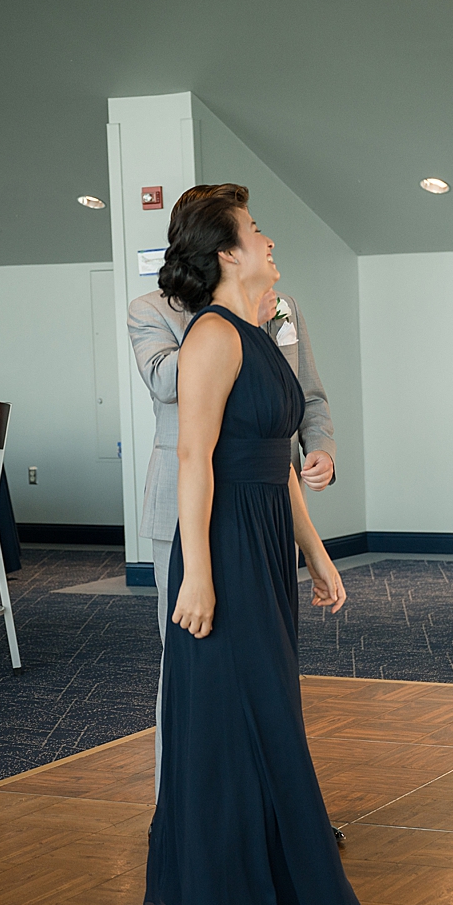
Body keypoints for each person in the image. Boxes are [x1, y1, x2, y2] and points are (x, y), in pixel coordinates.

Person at [143, 183, 363, 905]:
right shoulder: (211, 337)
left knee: (266, 713)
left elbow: (279, 465)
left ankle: (234, 882)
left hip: (266, 535)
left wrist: (316, 552)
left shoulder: (261, 333)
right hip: (224, 543)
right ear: (228, 251)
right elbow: (195, 459)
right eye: (256, 230)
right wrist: (196, 575)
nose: (269, 240)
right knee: (243, 721)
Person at [128, 194, 338, 797]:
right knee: (195, 675)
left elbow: (307, 396)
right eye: (253, 228)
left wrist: (318, 446)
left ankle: (270, 811)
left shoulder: (281, 307)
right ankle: (185, 808)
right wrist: (233, 316)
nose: (268, 240)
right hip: (188, 512)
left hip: (265, 506)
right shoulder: (156, 311)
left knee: (267, 677)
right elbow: (172, 386)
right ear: (215, 246)